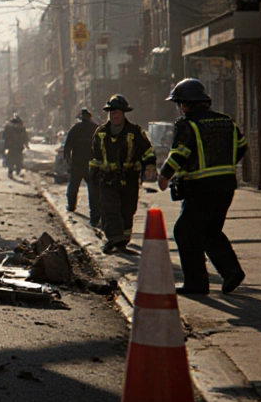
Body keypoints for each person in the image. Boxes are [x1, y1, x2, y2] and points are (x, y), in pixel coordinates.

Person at [157, 78, 248, 295]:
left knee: (185, 232)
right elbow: (242, 147)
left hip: (201, 187)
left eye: (180, 104)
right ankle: (232, 272)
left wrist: (164, 176)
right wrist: (224, 164)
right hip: (226, 186)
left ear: (186, 104)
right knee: (210, 231)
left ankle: (196, 283)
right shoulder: (226, 121)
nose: (179, 109)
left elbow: (179, 154)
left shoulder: (187, 125)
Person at [89, 94, 156, 253]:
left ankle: (122, 242)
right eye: (111, 112)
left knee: (128, 210)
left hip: (129, 178)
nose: (114, 115)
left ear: (123, 113)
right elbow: (94, 155)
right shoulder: (101, 132)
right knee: (109, 208)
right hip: (108, 179)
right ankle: (113, 238)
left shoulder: (134, 131)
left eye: (117, 112)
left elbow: (147, 151)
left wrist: (150, 166)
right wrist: (93, 173)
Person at [63, 109, 99, 220]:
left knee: (73, 187)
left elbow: (67, 146)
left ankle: (71, 206)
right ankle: (95, 215)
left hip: (78, 164)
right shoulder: (96, 129)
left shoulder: (75, 129)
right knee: (94, 192)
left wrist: (67, 160)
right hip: (91, 165)